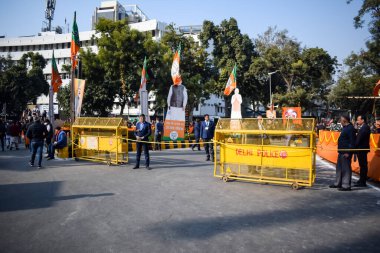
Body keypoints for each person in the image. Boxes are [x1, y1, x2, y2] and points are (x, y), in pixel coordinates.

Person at [329, 115, 356, 191]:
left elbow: (352, 141)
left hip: (346, 152)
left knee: (346, 169)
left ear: (345, 121)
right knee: (339, 168)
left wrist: (348, 152)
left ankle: (346, 185)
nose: (340, 122)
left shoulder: (350, 129)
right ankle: (338, 183)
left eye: (341, 120)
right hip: (341, 151)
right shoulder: (345, 128)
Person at [354, 115, 371, 187]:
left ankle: (363, 181)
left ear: (362, 120)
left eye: (358, 120)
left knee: (363, 165)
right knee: (362, 165)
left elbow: (359, 139)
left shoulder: (365, 127)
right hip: (360, 149)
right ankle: (361, 180)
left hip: (362, 149)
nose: (357, 121)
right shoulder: (362, 127)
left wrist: (354, 145)